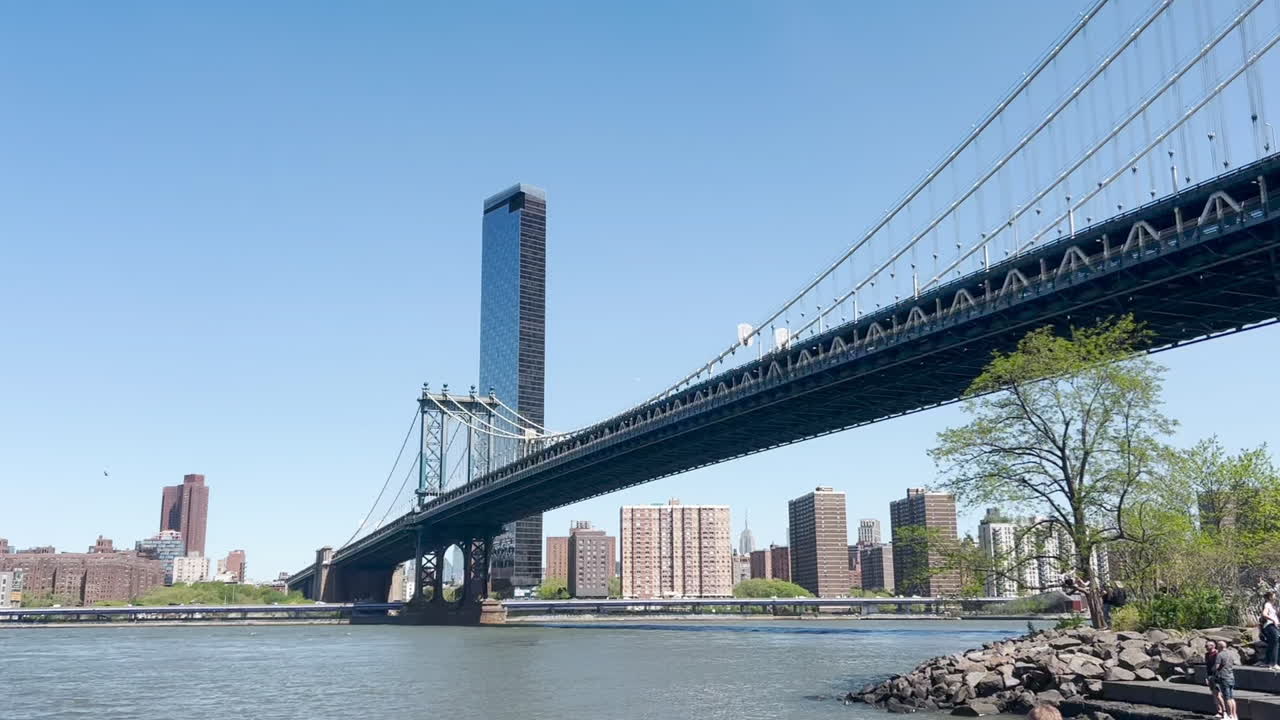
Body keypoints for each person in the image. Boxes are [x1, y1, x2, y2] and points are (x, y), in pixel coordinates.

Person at [1213, 640, 1239, 720]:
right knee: (1231, 698)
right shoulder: (1231, 654)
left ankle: (1229, 716)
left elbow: (1217, 667)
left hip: (1223, 677)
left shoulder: (1220, 655)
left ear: (1219, 646)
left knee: (1226, 698)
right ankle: (1234, 716)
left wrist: (1213, 670)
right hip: (1231, 677)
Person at [1261, 590, 1280, 670]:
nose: (1275, 597)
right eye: (1274, 596)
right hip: (1270, 625)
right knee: (1275, 642)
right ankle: (1274, 663)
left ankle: (1268, 662)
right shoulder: (1267, 604)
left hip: (1274, 625)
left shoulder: (1273, 606)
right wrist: (1273, 620)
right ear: (1270, 597)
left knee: (1272, 643)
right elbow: (1264, 614)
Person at [1205, 639, 1223, 718]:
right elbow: (1207, 667)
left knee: (1218, 694)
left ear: (1213, 646)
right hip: (1210, 676)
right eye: (1206, 646)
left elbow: (1219, 666)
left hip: (1217, 676)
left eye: (1207, 646)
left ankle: (1223, 711)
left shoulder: (1217, 654)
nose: (1206, 647)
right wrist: (1207, 677)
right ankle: (1219, 710)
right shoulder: (1207, 655)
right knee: (1214, 695)